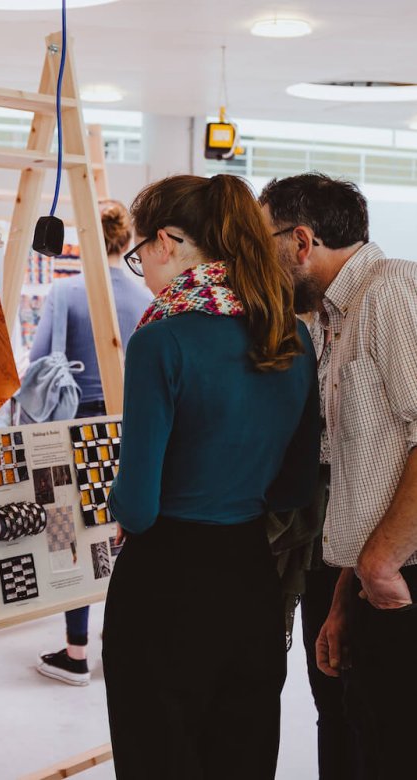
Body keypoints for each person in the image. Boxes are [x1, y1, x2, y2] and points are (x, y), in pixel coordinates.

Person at [102, 174, 320, 779]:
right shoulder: (289, 333)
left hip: (165, 588)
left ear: (167, 242)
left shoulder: (161, 341)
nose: (139, 264)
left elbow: (138, 508)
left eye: (137, 251)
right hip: (251, 583)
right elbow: (294, 487)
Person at [260, 172, 417, 780]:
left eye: (264, 242)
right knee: (354, 724)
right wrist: (347, 588)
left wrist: (378, 564)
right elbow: (361, 470)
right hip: (363, 568)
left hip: (400, 570)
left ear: (301, 240)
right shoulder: (330, 315)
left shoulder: (390, 294)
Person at [29, 199, 153, 686]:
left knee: (71, 534)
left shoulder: (65, 293)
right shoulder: (147, 298)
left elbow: (40, 363)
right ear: (126, 242)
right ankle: (124, 646)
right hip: (130, 427)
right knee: (125, 533)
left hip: (75, 426)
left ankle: (75, 651)